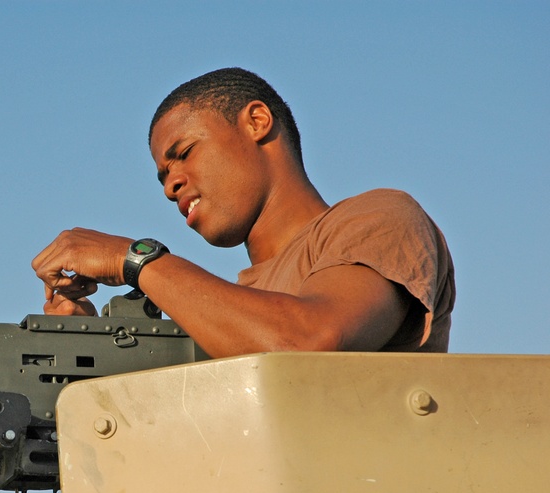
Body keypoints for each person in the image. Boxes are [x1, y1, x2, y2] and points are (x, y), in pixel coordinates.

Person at [31, 67, 454, 358]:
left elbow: (307, 340)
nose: (169, 185)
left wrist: (136, 258)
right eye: (162, 175)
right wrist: (88, 347)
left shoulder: (380, 217)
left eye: (184, 154)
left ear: (256, 121)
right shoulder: (236, 313)